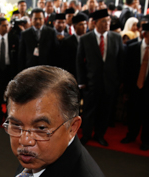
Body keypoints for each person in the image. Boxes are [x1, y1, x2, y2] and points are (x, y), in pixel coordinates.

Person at [2, 66, 117, 177]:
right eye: (16, 125)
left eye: (40, 128)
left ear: (72, 127)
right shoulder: (37, 155)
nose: (24, 141)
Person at [76, 9, 124, 146]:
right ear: (95, 23)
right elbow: (79, 62)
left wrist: (119, 82)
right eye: (104, 21)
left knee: (105, 111)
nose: (107, 24)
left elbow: (121, 61)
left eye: (108, 21)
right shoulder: (86, 38)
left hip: (109, 83)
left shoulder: (116, 38)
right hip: (91, 83)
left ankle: (99, 135)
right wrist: (82, 81)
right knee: (89, 111)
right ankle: (86, 135)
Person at [121, 23, 149, 151]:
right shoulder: (132, 48)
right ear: (144, 34)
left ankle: (146, 140)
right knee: (133, 113)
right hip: (134, 88)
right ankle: (131, 135)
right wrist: (125, 91)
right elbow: (126, 71)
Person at [60, 13, 88, 78]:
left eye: (85, 24)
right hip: (72, 73)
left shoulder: (89, 40)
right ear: (74, 26)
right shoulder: (67, 41)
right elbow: (64, 61)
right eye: (81, 24)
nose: (84, 27)